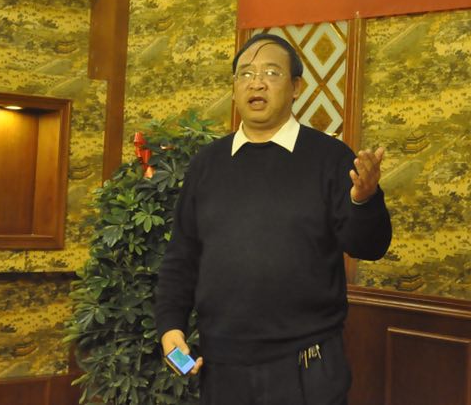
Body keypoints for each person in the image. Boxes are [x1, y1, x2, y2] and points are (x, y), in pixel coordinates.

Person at [154, 33, 392, 405]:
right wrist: (170, 328)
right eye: (246, 74)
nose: (257, 83)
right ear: (235, 88)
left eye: (271, 72)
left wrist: (365, 200)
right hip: (223, 367)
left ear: (296, 87)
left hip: (306, 367)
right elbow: (181, 257)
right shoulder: (207, 164)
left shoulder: (330, 158)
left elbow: (369, 246)